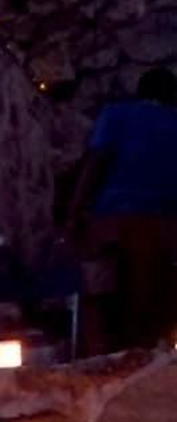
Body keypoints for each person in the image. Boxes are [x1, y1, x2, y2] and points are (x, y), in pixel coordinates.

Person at [71, 67, 177, 352]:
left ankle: (102, 356)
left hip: (113, 218)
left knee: (99, 292)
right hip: (165, 223)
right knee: (156, 297)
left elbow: (95, 161)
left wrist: (75, 213)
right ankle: (153, 354)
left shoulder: (116, 114)